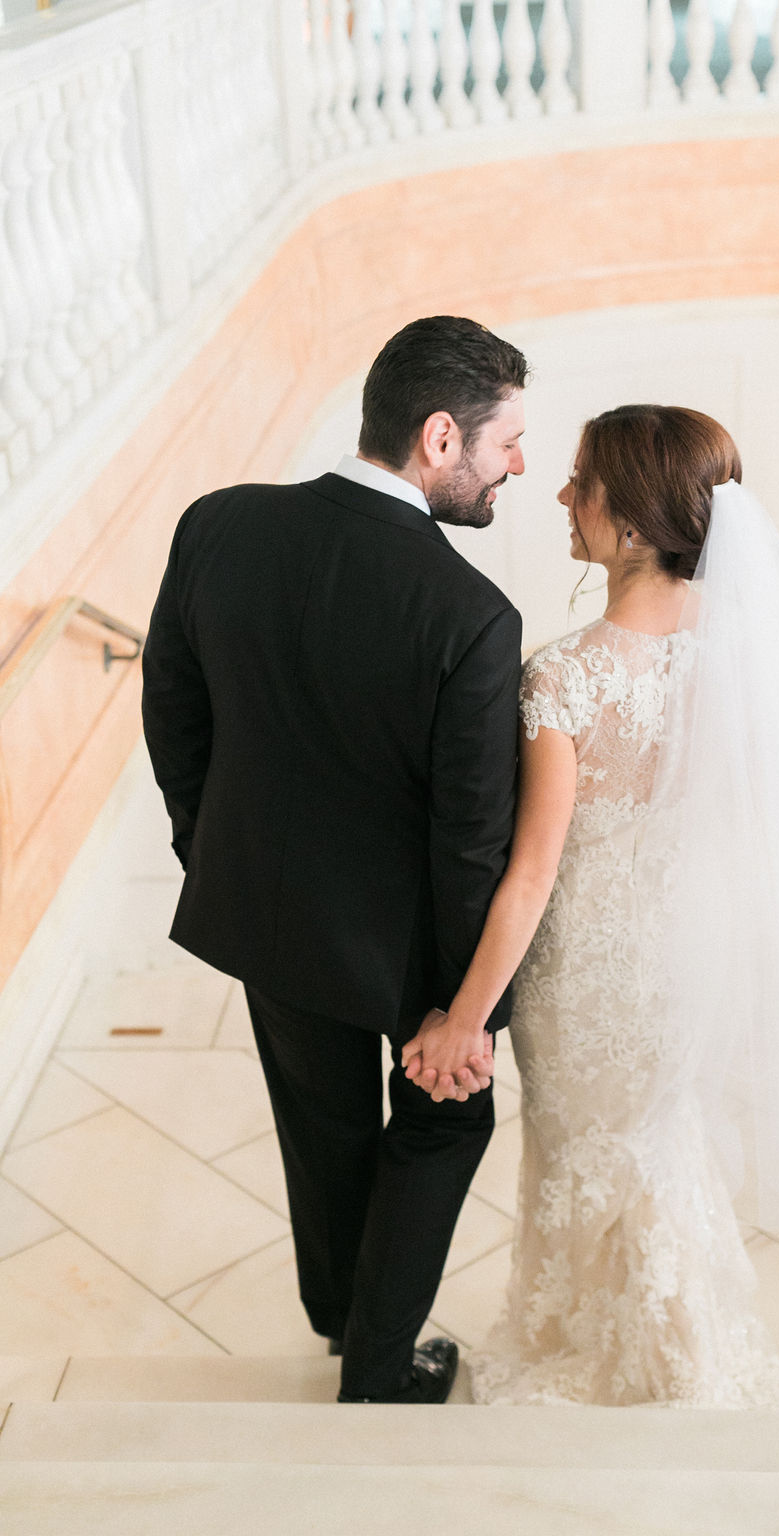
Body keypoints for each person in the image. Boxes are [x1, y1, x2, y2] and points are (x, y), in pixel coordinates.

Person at [403, 403, 779, 1407]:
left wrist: (463, 1018)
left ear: (627, 522)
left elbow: (533, 875)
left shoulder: (566, 679)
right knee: (657, 1140)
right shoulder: (751, 662)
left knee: (592, 1147)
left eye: (579, 481)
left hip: (585, 967)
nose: (560, 494)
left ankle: (640, 1358)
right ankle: (676, 1345)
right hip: (685, 952)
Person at [142, 315, 528, 1405]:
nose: (518, 465)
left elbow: (173, 709)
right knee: (447, 1121)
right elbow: (468, 838)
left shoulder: (218, 524)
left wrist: (208, 847)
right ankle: (376, 1359)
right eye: (507, 442)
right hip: (408, 946)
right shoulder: (470, 613)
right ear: (440, 438)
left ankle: (337, 1311)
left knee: (321, 1125)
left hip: (266, 909)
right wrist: (466, 1015)